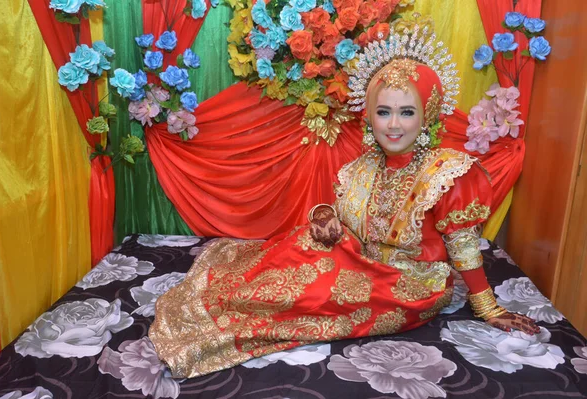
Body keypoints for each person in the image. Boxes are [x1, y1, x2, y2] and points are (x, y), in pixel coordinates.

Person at [148, 25, 539, 379]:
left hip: (411, 285)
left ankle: (223, 317)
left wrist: (488, 307)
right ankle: (224, 297)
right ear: (369, 116)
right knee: (300, 245)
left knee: (310, 292)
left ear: (427, 115)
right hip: (360, 260)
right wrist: (322, 215)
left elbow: (464, 246)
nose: (394, 124)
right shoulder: (361, 168)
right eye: (383, 112)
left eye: (407, 112)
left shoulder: (447, 173)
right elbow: (347, 217)